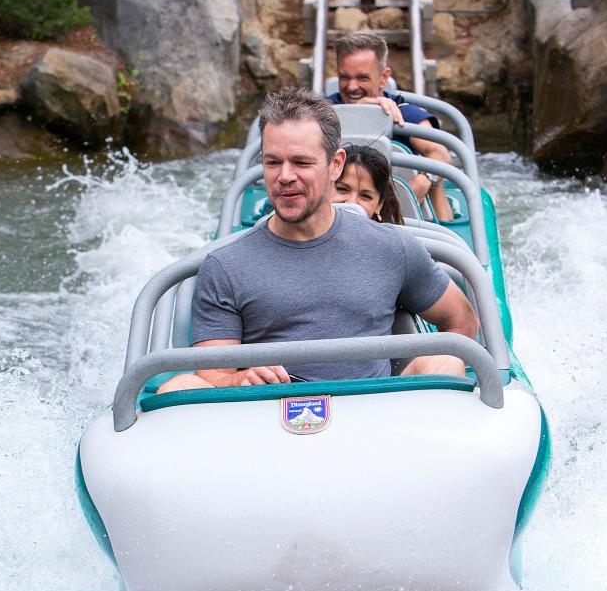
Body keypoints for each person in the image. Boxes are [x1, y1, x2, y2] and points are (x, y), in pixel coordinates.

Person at [157, 87, 477, 393]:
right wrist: (237, 381)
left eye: (301, 162)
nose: (284, 176)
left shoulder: (393, 248)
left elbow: (460, 320)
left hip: (376, 418)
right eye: (273, 162)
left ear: (335, 165)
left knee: (445, 361)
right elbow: (213, 374)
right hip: (265, 419)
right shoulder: (225, 264)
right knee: (178, 387)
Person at [329, 31, 456, 222]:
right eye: (344, 77)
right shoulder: (323, 111)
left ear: (383, 77)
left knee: (437, 183)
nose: (352, 87)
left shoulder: (407, 115)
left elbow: (441, 155)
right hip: (332, 213)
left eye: (362, 78)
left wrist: (421, 182)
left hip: (398, 216)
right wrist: (357, 112)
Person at [333, 143, 404, 225]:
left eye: (366, 196)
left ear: (379, 205)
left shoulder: (392, 237)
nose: (352, 203)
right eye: (342, 189)